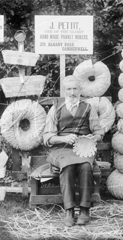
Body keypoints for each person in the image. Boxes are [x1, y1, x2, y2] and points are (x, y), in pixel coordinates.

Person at [43, 75, 104, 227]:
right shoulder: (56, 108)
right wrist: (63, 139)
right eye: (68, 89)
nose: (72, 92)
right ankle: (69, 210)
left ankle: (84, 209)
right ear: (64, 91)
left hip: (83, 149)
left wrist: (92, 138)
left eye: (75, 89)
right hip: (61, 149)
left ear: (80, 90)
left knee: (85, 166)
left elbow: (99, 132)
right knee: (68, 166)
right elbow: (47, 137)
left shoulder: (88, 108)